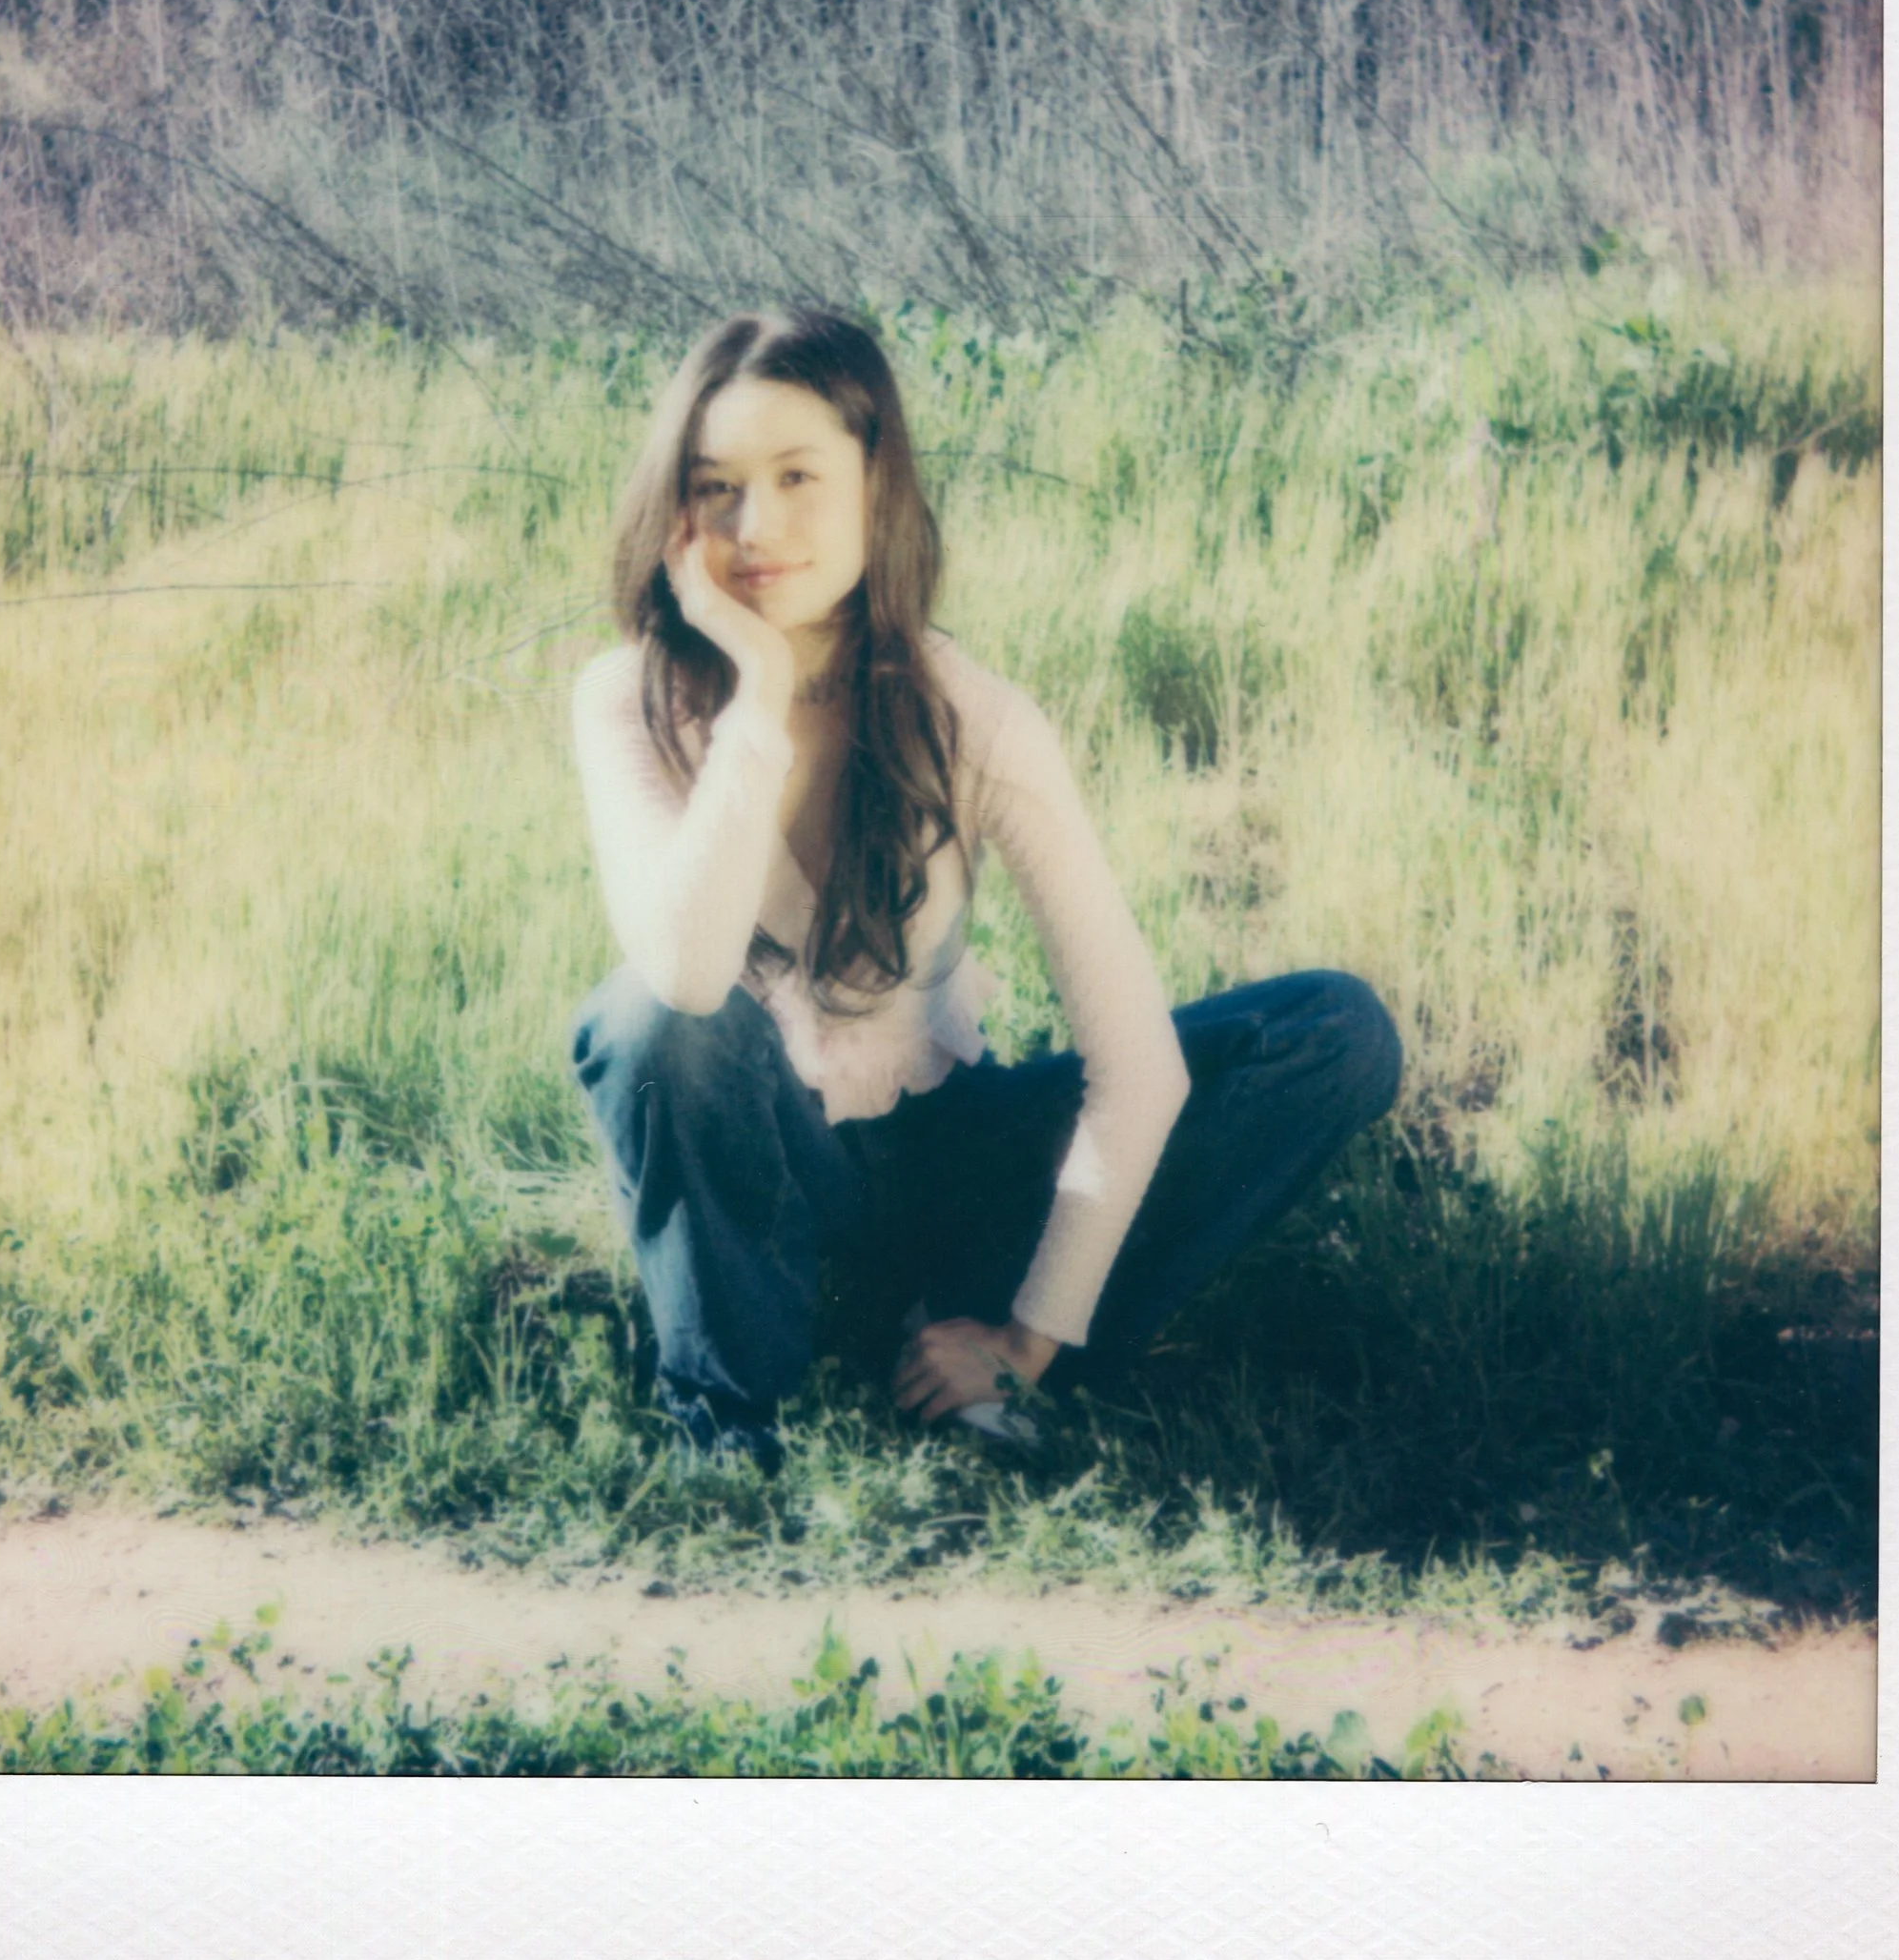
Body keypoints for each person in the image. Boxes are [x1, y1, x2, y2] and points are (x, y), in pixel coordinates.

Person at [568, 308, 1402, 1471]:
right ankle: (728, 1413)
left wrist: (1029, 1337)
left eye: (799, 476)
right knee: (648, 1019)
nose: (756, 528)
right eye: (716, 487)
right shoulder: (630, 700)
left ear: (877, 484)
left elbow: (1137, 1065)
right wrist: (753, 701)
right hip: (767, 1166)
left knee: (1333, 1031)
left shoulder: (974, 717)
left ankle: (975, 1327)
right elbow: (687, 973)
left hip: (953, 1148)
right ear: (676, 509)